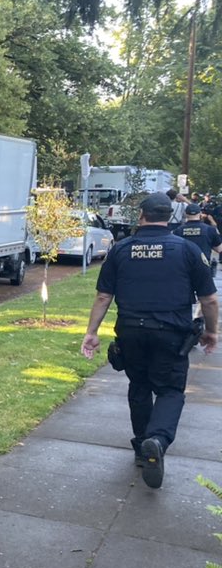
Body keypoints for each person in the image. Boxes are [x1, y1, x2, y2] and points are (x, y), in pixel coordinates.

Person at [81, 192, 218, 489]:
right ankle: (157, 439)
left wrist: (91, 332)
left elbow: (104, 296)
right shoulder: (187, 250)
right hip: (171, 334)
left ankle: (143, 445)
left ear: (141, 216)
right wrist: (211, 331)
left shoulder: (121, 249)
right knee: (170, 390)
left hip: (131, 331)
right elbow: (209, 299)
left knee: (139, 386)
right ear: (169, 217)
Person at [174, 203, 221, 273]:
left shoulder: (178, 230)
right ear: (200, 213)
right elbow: (219, 249)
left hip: (184, 266)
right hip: (203, 266)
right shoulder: (209, 229)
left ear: (185, 214)